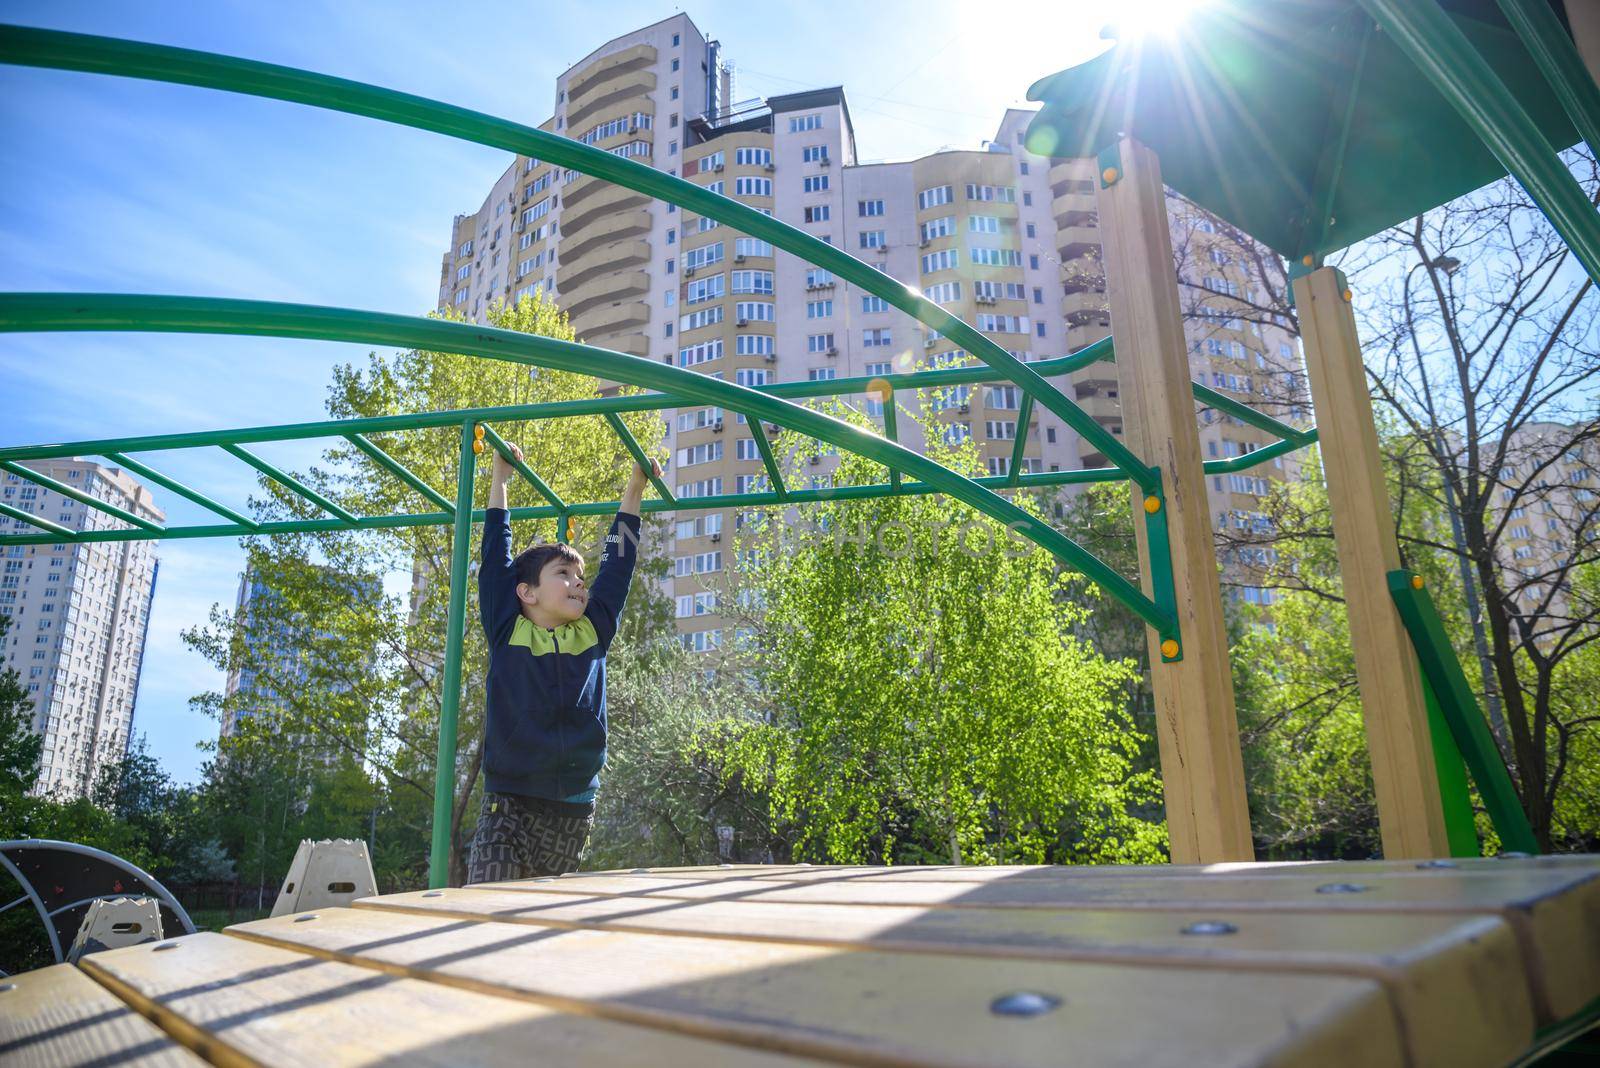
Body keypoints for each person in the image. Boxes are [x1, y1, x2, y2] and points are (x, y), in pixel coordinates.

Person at [466, 443, 659, 883]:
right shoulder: (508, 629)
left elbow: (618, 564)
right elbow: (495, 557)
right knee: (490, 903)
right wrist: (500, 480)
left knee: (540, 912)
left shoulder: (593, 631)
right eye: (563, 575)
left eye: (580, 578)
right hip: (509, 798)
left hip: (572, 808)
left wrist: (635, 487)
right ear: (527, 593)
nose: (578, 583)